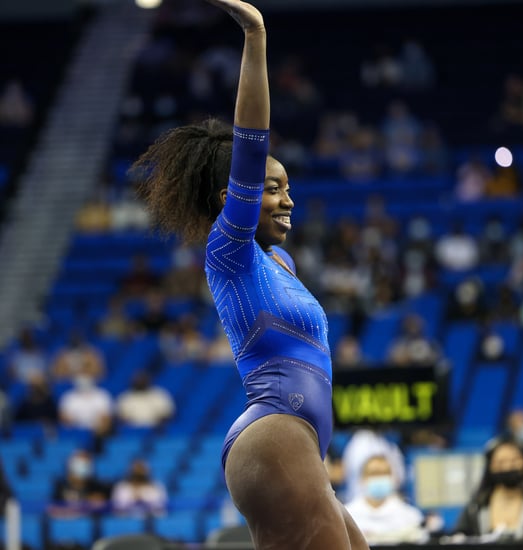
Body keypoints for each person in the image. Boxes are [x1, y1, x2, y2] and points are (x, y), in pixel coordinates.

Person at [131, 1, 369, 548]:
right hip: (274, 437)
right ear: (232, 198)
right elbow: (252, 139)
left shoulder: (279, 263)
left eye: (287, 186)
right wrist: (256, 34)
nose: (288, 199)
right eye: (272, 187)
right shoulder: (228, 248)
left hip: (300, 447)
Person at [453, 437, 523, 540]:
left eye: (514, 460)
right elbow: (458, 538)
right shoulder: (476, 507)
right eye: (501, 462)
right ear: (490, 466)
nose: (508, 467)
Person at [345, 455, 428, 545]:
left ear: (393, 478)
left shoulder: (411, 517)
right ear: (362, 478)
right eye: (374, 473)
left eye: (385, 473)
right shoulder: (347, 515)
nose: (379, 477)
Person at [49, 449, 111, 517]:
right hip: (67, 524)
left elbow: (105, 505)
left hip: (89, 524)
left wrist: (99, 503)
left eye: (86, 464)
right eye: (80, 464)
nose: (83, 468)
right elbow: (53, 509)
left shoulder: (97, 487)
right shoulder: (60, 487)